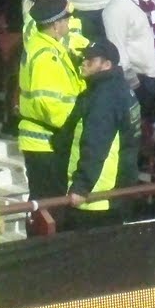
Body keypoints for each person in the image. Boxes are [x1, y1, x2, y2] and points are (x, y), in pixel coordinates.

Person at [64, 39, 141, 228]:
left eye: (91, 59)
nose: (84, 61)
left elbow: (96, 144)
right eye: (84, 57)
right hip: (115, 191)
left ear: (107, 65)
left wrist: (81, 187)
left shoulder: (104, 97)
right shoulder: (120, 88)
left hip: (97, 198)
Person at [18, 0, 85, 199]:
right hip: (46, 141)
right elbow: (48, 102)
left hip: (45, 139)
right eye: (65, 19)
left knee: (44, 201)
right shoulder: (47, 56)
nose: (68, 23)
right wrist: (76, 122)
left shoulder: (45, 46)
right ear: (56, 25)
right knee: (48, 203)